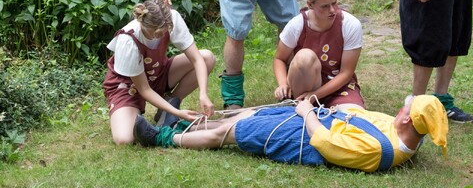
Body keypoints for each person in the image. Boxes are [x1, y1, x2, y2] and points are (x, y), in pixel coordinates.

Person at [132, 94, 448, 173]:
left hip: (306, 137)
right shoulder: (409, 131)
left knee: (233, 131)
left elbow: (326, 145)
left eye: (407, 109)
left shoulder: (381, 151)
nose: (401, 109)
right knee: (250, 113)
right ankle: (180, 127)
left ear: (410, 122)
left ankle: (160, 139)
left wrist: (307, 113)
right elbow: (357, 115)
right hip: (316, 117)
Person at [102, 0, 216, 145]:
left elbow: (197, 59)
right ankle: (162, 121)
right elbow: (144, 89)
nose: (161, 36)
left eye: (164, 31)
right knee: (125, 139)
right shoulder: (128, 39)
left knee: (207, 57)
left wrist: (203, 94)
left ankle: (169, 106)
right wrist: (178, 113)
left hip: (156, 73)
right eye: (156, 34)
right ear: (143, 24)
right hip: (127, 86)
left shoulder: (171, 18)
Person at [273, 0, 365, 109]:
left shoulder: (350, 24)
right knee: (304, 56)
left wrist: (314, 94)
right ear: (310, 5)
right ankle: (298, 105)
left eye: (334, 3)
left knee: (353, 117)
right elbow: (279, 58)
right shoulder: (297, 24)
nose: (332, 10)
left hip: (338, 88)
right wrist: (283, 84)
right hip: (304, 86)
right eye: (325, 6)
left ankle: (306, 109)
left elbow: (346, 72)